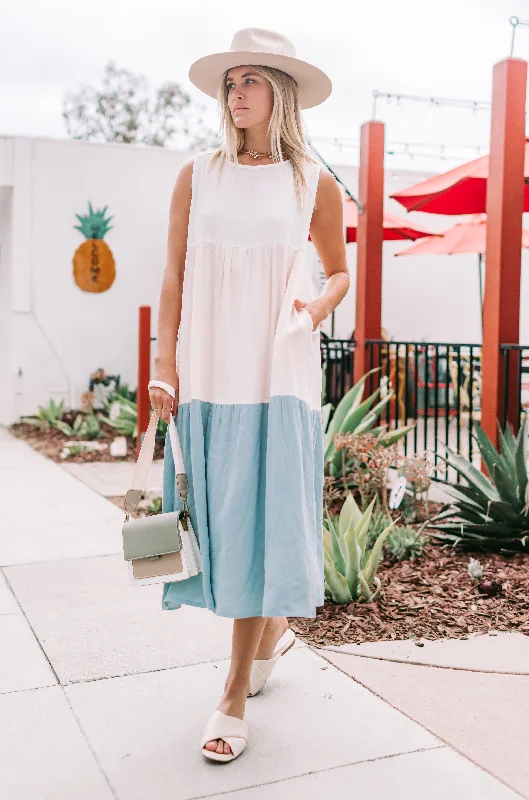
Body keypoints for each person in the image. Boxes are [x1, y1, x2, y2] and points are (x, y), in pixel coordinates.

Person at [148, 27, 349, 763]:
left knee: (260, 520)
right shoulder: (197, 175)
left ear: (279, 93)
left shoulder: (311, 182)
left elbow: (338, 271)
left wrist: (313, 312)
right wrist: (164, 364)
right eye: (229, 82)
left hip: (277, 373)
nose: (235, 94)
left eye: (250, 81)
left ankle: (233, 690)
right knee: (224, 525)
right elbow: (172, 274)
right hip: (208, 373)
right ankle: (268, 636)